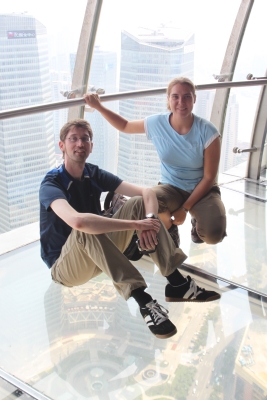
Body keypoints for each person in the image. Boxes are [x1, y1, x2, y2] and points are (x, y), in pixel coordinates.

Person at [39, 119, 221, 340]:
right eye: (73, 139)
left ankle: (177, 283)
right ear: (62, 146)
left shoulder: (92, 173)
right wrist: (135, 225)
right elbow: (78, 222)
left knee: (137, 204)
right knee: (85, 230)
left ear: (91, 145)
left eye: (85, 138)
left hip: (102, 256)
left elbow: (147, 194)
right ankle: (144, 301)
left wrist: (150, 222)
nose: (80, 143)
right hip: (67, 268)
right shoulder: (51, 183)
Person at [83, 76, 226, 246]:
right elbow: (125, 126)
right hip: (171, 187)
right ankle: (169, 229)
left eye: (187, 96)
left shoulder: (208, 131)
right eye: (175, 96)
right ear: (168, 99)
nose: (181, 101)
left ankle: (197, 223)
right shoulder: (157, 123)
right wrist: (98, 107)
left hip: (203, 190)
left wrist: (184, 209)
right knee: (144, 204)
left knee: (213, 235)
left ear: (194, 99)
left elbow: (209, 177)